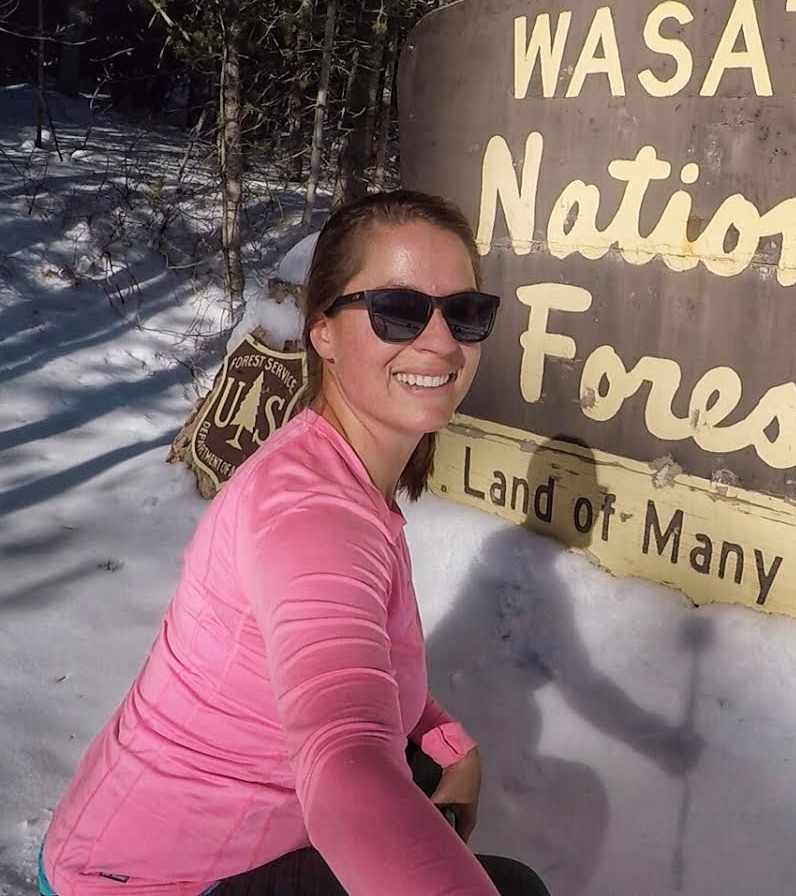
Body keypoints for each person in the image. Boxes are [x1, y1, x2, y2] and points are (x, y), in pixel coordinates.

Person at [39, 191, 549, 895]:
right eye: (397, 309)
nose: (439, 341)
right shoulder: (313, 514)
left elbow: (359, 672)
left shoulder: (331, 464)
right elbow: (346, 755)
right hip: (148, 879)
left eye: (464, 312)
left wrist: (446, 744)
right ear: (324, 332)